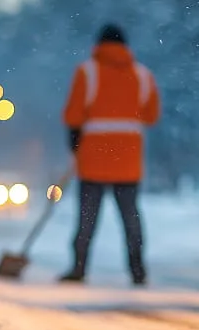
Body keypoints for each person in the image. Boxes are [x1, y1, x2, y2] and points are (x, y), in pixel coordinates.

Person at [60, 24, 161, 285]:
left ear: (99, 44)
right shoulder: (142, 75)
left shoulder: (87, 71)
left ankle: (79, 268)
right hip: (128, 161)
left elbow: (73, 115)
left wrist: (74, 139)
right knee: (131, 218)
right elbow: (151, 116)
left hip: (93, 158)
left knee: (87, 218)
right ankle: (138, 270)